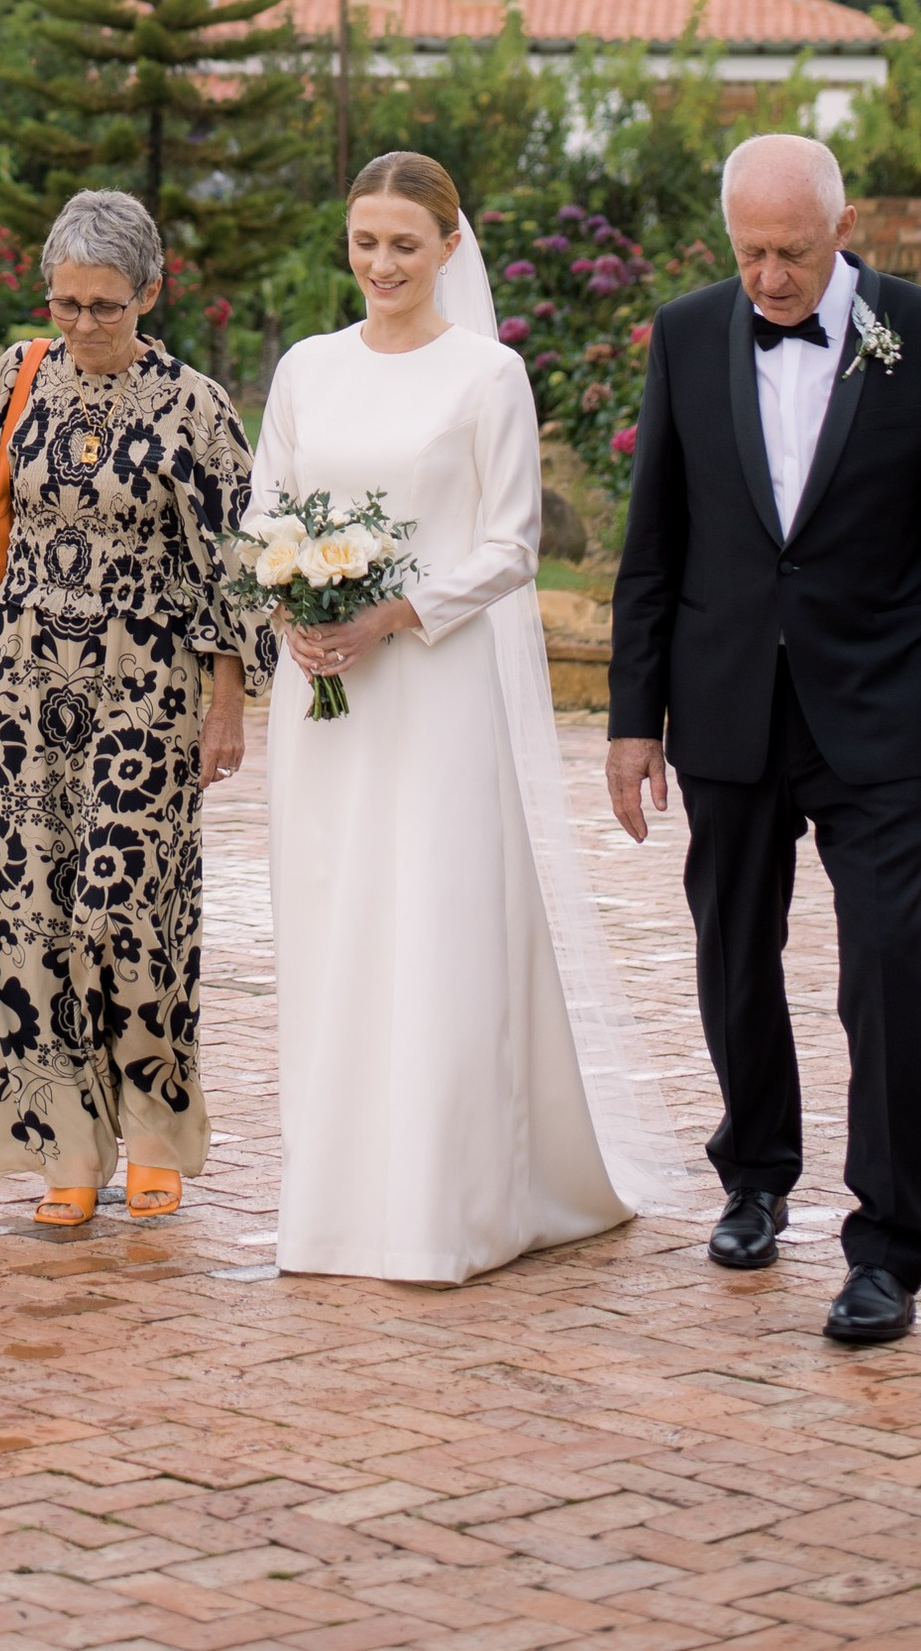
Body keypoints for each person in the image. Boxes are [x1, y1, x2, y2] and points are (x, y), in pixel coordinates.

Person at [607, 132, 921, 1349]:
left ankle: (889, 1248)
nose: (769, 277)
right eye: (748, 251)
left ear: (840, 233)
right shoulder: (687, 332)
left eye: (791, 252)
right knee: (733, 947)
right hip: (727, 700)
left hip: (881, 709)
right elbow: (652, 546)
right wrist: (635, 720)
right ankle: (755, 1172)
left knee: (886, 965)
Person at [253, 152, 686, 1284]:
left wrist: (394, 610)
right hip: (322, 697)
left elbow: (509, 545)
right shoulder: (307, 367)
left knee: (433, 921)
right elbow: (264, 507)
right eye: (364, 241)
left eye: (405, 242)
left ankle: (452, 1204)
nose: (382, 263)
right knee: (332, 919)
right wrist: (293, 596)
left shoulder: (486, 376)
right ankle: (335, 1205)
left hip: (433, 687)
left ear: (452, 245)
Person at [0, 189, 258, 1231]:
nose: (80, 322)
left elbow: (230, 568)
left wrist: (226, 703)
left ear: (150, 292)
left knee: (129, 914)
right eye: (64, 301)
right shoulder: (17, 378)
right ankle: (66, 1141)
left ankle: (151, 1133)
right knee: (30, 916)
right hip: (19, 685)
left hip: (142, 689)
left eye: (103, 304)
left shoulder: (195, 405)